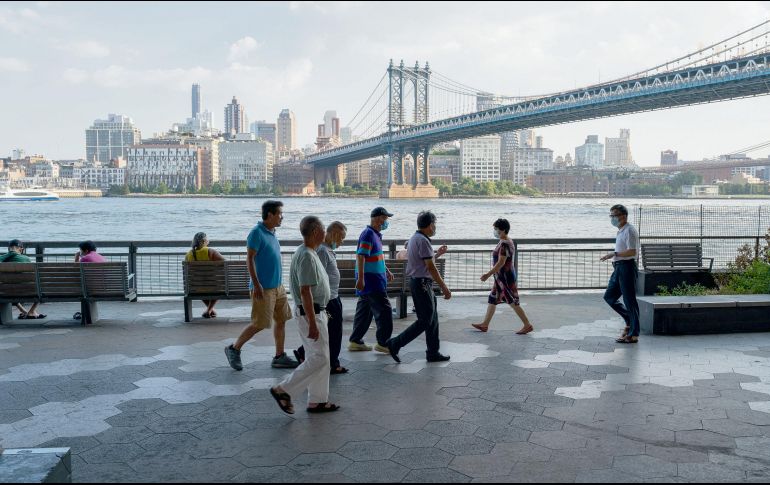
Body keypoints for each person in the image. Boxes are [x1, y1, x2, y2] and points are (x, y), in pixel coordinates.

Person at [270, 215, 338, 415]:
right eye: (324, 228)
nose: (326, 232)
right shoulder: (307, 256)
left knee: (318, 356)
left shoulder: (308, 251)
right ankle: (283, 389)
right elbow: (305, 291)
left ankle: (317, 401)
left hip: (315, 312)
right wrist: (312, 323)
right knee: (321, 357)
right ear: (316, 231)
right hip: (312, 313)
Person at [225, 200, 298, 371]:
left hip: (277, 287)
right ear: (270, 215)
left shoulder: (272, 232)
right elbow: (249, 259)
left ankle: (279, 356)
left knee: (281, 320)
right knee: (260, 323)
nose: (282, 217)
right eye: (280, 213)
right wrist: (256, 284)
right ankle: (234, 349)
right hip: (263, 288)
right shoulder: (256, 233)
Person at [386, 211, 452, 363]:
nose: (435, 227)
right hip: (422, 284)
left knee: (432, 319)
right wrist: (444, 287)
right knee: (425, 320)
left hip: (420, 283)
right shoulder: (423, 241)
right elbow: (431, 268)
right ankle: (395, 343)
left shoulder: (415, 238)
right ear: (430, 225)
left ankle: (433, 352)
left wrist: (438, 254)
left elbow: (425, 262)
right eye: (434, 224)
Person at [295, 221, 348, 375]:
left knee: (331, 331)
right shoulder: (323, 251)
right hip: (329, 299)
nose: (342, 241)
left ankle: (303, 353)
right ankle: (332, 363)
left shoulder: (329, 250)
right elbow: (317, 277)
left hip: (333, 296)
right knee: (334, 332)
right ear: (333, 234)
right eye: (341, 237)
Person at [471, 219, 534, 335]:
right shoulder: (505, 240)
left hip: (505, 278)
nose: (494, 231)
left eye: (496, 229)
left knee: (512, 301)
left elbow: (501, 263)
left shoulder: (505, 243)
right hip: (500, 277)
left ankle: (527, 325)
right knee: (493, 298)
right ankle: (485, 324)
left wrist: (487, 274)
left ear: (503, 230)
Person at [347, 207, 395, 354]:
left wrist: (386, 270)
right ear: (377, 218)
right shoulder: (368, 234)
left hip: (374, 279)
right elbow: (361, 256)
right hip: (371, 281)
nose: (386, 221)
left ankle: (355, 341)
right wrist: (361, 279)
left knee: (365, 311)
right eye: (385, 218)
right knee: (385, 311)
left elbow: (375, 256)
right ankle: (383, 343)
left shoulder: (375, 234)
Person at [601, 204, 641, 344]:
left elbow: (632, 252)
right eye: (611, 215)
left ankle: (633, 333)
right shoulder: (621, 230)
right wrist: (613, 256)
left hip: (627, 267)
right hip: (618, 267)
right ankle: (629, 321)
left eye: (615, 215)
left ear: (623, 216)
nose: (612, 218)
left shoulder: (630, 231)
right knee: (609, 297)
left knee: (630, 301)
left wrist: (614, 254)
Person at [0, 239, 45, 319]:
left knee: (11, 287)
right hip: (27, 290)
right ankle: (31, 311)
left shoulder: (3, 259)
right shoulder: (26, 259)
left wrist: (10, 253)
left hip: (6, 291)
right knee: (41, 287)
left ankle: (24, 312)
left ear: (9, 249)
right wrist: (14, 253)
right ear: (20, 249)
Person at [184, 232, 225, 318]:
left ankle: (209, 310)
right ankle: (209, 310)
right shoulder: (210, 251)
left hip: (195, 288)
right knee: (220, 285)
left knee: (199, 285)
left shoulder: (188, 255)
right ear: (204, 241)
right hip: (213, 287)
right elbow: (225, 263)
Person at [72, 240, 108, 320]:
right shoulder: (101, 257)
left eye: (80, 250)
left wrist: (77, 257)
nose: (80, 252)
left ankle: (86, 316)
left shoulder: (85, 258)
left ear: (86, 250)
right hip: (103, 288)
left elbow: (75, 270)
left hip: (90, 289)